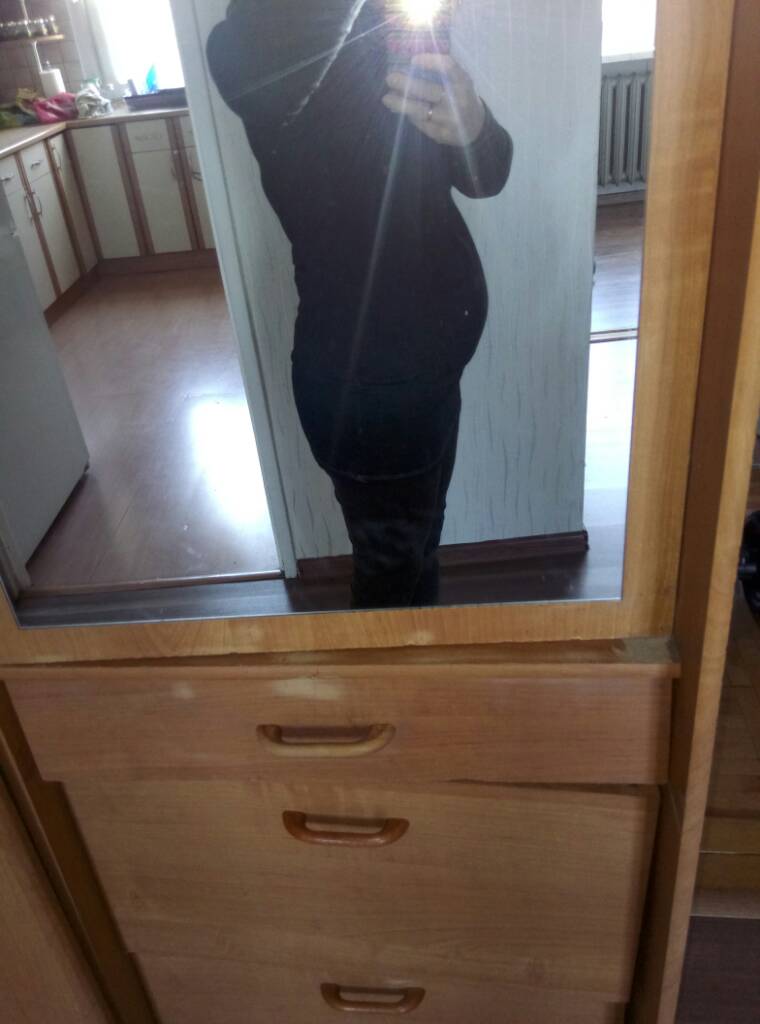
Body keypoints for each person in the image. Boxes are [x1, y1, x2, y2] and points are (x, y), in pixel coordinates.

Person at [207, 0, 513, 608]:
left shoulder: (393, 25)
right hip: (372, 389)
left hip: (429, 374)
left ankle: (418, 660)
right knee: (389, 588)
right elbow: (278, 52)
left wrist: (474, 124)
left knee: (418, 549)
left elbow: (487, 176)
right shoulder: (258, 37)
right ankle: (397, 670)